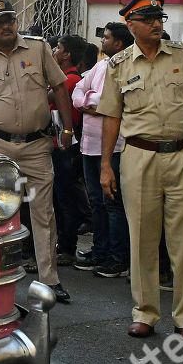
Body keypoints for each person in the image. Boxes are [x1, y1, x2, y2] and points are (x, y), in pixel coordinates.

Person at [96, 0, 183, 337]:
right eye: (147, 19)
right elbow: (111, 117)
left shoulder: (182, 56)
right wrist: (106, 164)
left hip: (182, 153)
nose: (155, 24)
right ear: (130, 24)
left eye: (159, 18)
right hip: (139, 155)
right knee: (142, 237)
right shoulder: (118, 65)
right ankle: (146, 312)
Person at [0, 0, 76, 301]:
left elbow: (60, 87)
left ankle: (49, 279)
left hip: (36, 147)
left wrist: (68, 127)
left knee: (42, 211)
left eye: (9, 20)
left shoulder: (38, 48)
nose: (6, 26)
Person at [75, 23, 133, 278]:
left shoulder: (127, 66)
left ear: (118, 43)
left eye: (107, 37)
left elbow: (111, 101)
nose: (103, 41)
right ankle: (100, 250)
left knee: (113, 203)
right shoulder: (100, 66)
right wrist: (90, 101)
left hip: (114, 147)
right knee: (96, 202)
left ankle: (117, 257)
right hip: (89, 145)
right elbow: (78, 91)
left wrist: (92, 101)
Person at [51, 35, 92, 270]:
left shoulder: (69, 80)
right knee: (60, 197)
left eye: (58, 48)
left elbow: (47, 97)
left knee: (65, 198)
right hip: (60, 146)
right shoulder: (65, 78)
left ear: (67, 54)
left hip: (65, 146)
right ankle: (63, 244)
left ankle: (67, 246)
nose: (55, 51)